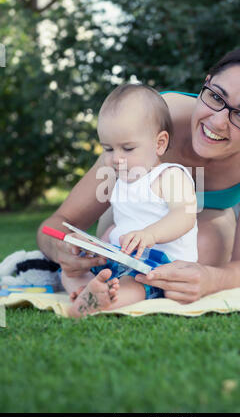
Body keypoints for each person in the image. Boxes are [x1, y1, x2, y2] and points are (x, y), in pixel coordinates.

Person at [37, 44, 240, 307]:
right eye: (216, 97)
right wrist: (62, 252)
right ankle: (100, 289)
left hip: (202, 230)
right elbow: (59, 222)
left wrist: (211, 279)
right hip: (130, 224)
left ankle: (118, 294)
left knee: (206, 240)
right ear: (206, 83)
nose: (217, 122)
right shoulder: (149, 120)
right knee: (114, 241)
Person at [59, 84, 198, 317]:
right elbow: (120, 225)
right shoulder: (120, 182)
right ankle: (85, 290)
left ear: (159, 143)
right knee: (69, 271)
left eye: (128, 148)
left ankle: (103, 301)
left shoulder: (170, 175)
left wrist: (150, 234)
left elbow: (184, 215)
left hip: (160, 265)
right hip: (123, 258)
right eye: (108, 149)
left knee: (133, 284)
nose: (116, 158)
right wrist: (94, 246)